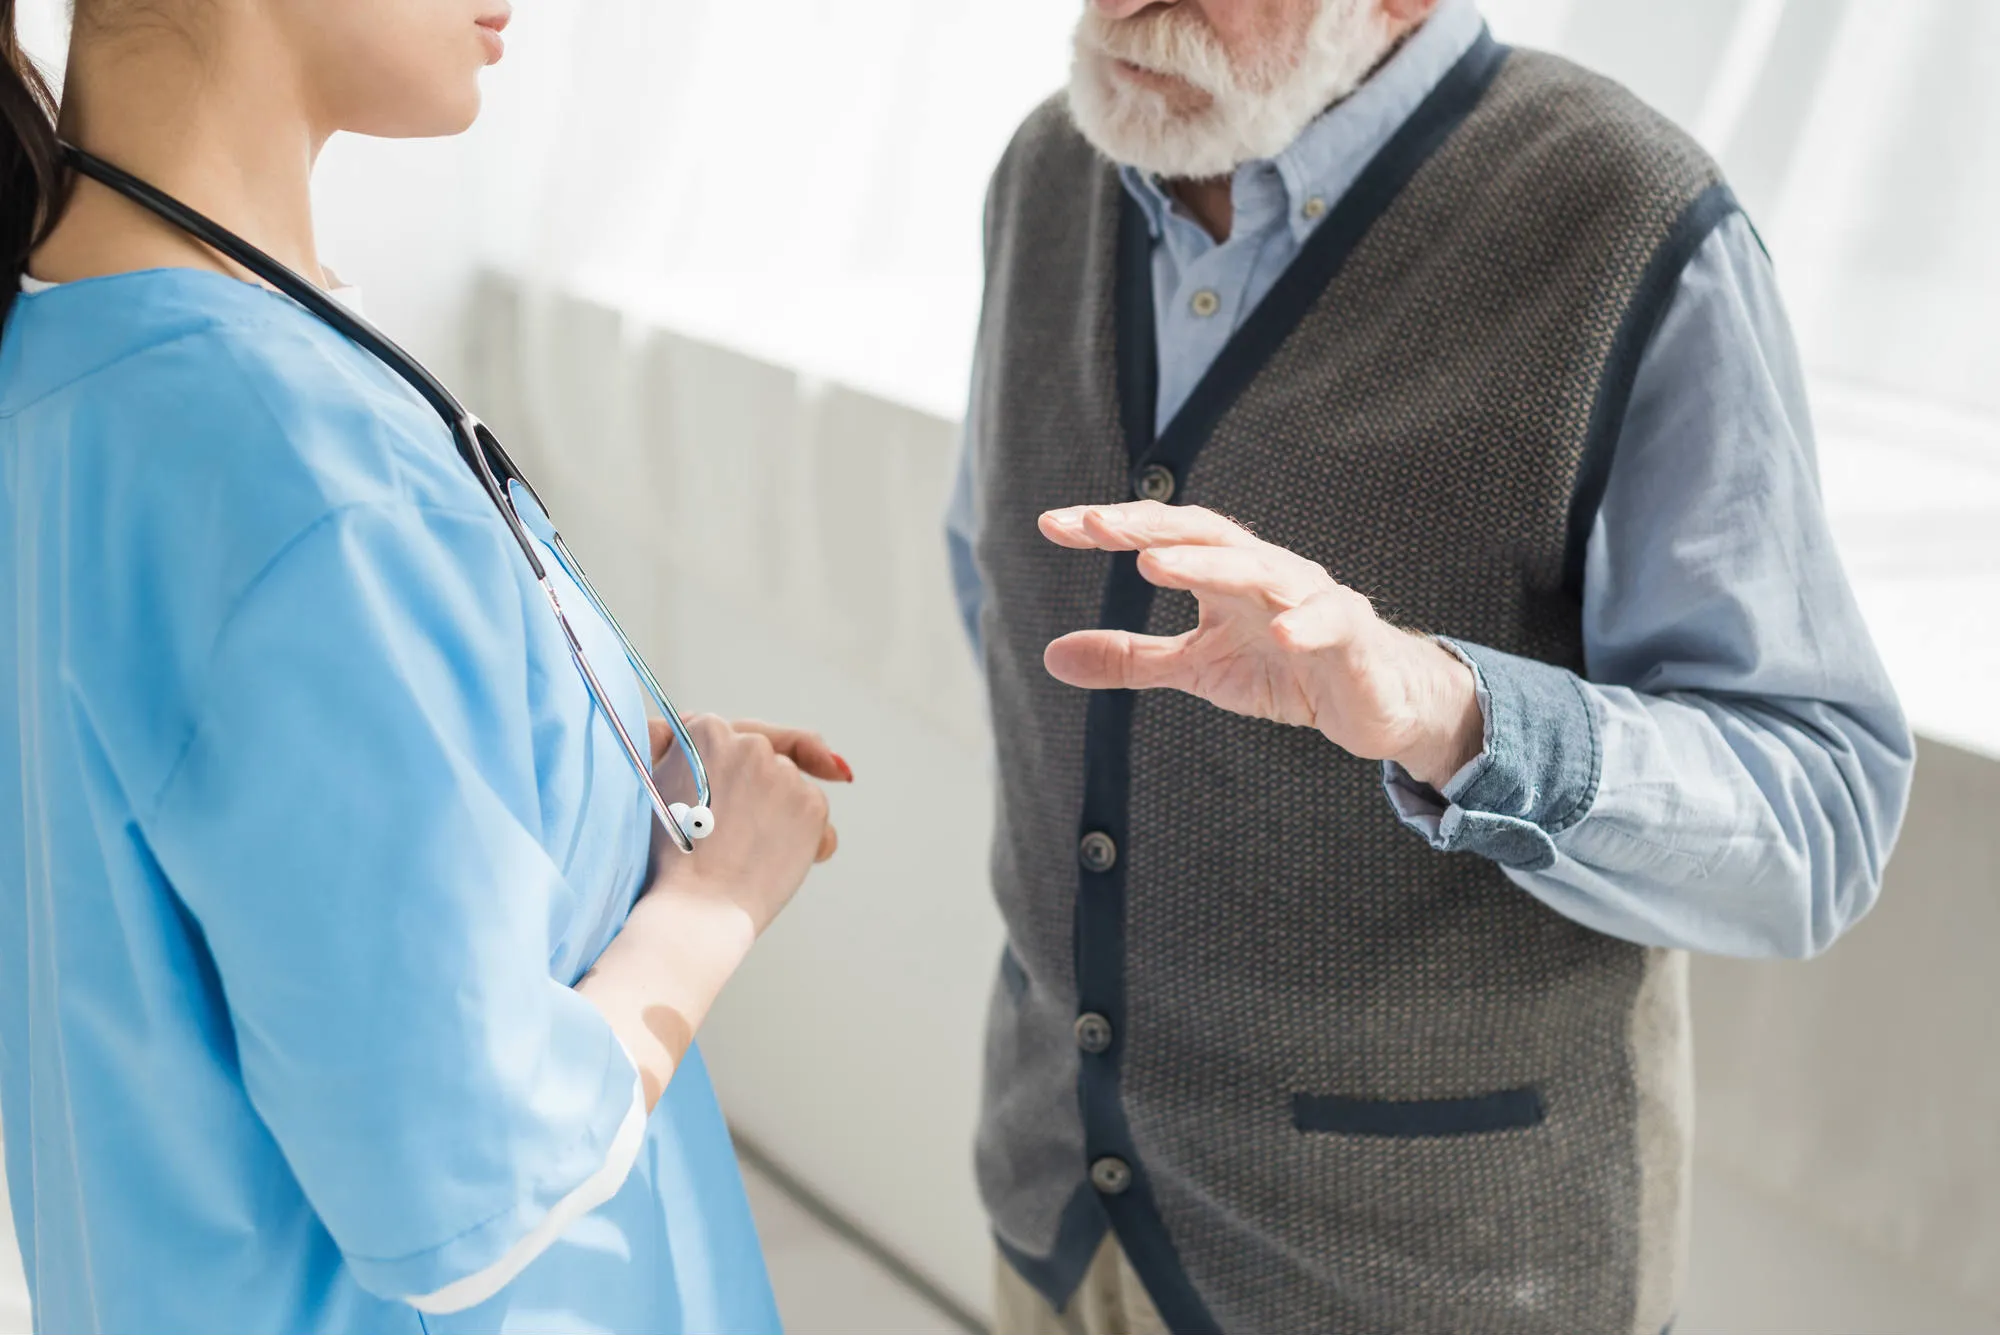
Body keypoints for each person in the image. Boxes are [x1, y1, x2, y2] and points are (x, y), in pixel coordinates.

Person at [944, 0, 1917, 1331]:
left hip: (1426, 1274)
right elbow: (995, 589)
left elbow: (1818, 813)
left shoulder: (1623, 222)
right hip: (1059, 1213)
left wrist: (1452, 716)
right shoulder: (1049, 168)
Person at [0, 2, 848, 1331]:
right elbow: (466, 1189)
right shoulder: (299, 468)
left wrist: (581, 777)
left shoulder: (64, 356)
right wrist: (717, 898)